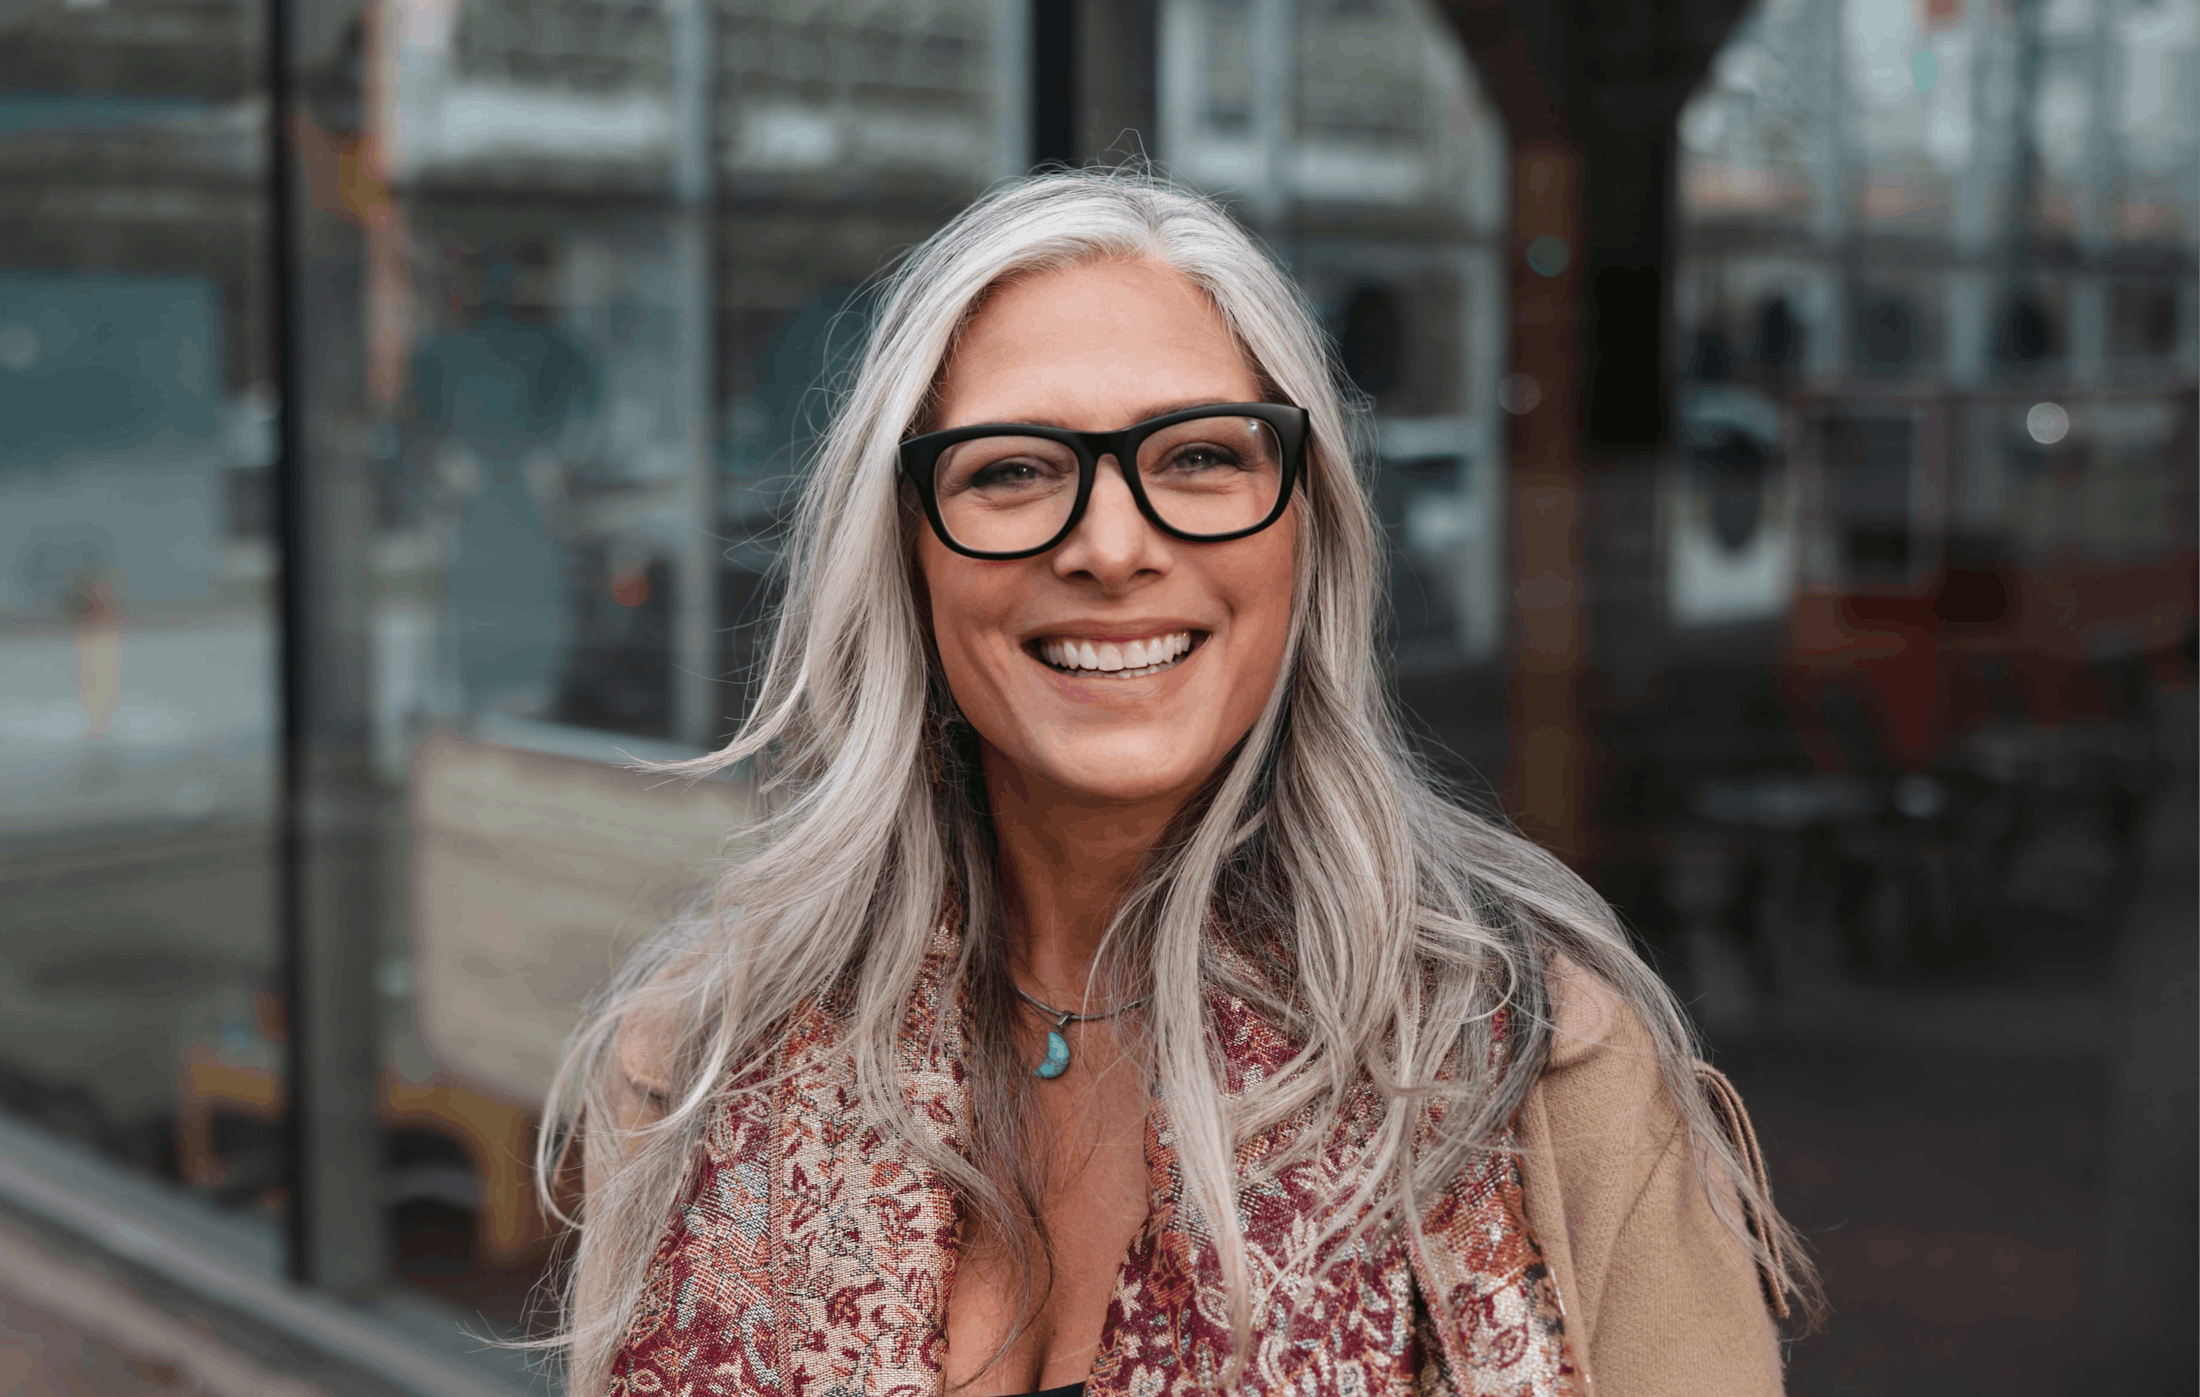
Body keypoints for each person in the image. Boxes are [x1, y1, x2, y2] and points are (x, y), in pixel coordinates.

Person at [541, 169, 1817, 1397]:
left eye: (1200, 457)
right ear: (907, 549)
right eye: (1013, 469)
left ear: (1303, 531)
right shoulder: (697, 1068)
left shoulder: (1538, 1073)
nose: (1110, 546)